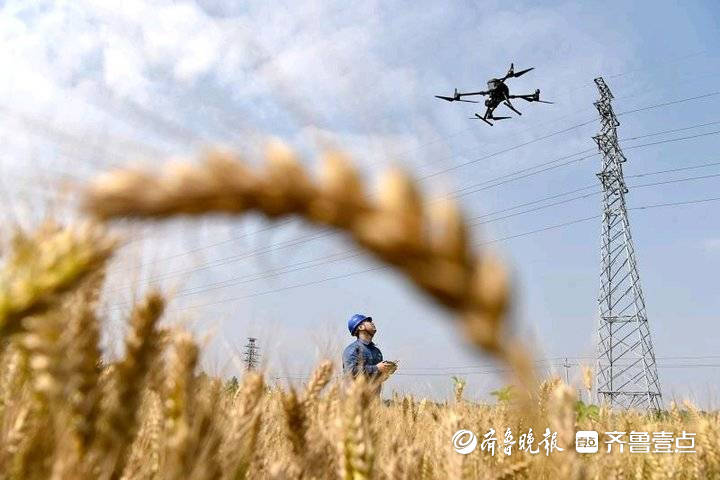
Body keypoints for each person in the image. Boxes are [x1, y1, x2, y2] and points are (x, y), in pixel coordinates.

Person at [342, 313, 396, 386]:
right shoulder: (352, 349)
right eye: (368, 321)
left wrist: (387, 371)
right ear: (360, 327)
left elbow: (377, 380)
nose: (372, 323)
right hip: (354, 396)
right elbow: (351, 372)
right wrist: (377, 368)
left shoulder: (377, 352)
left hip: (373, 397)